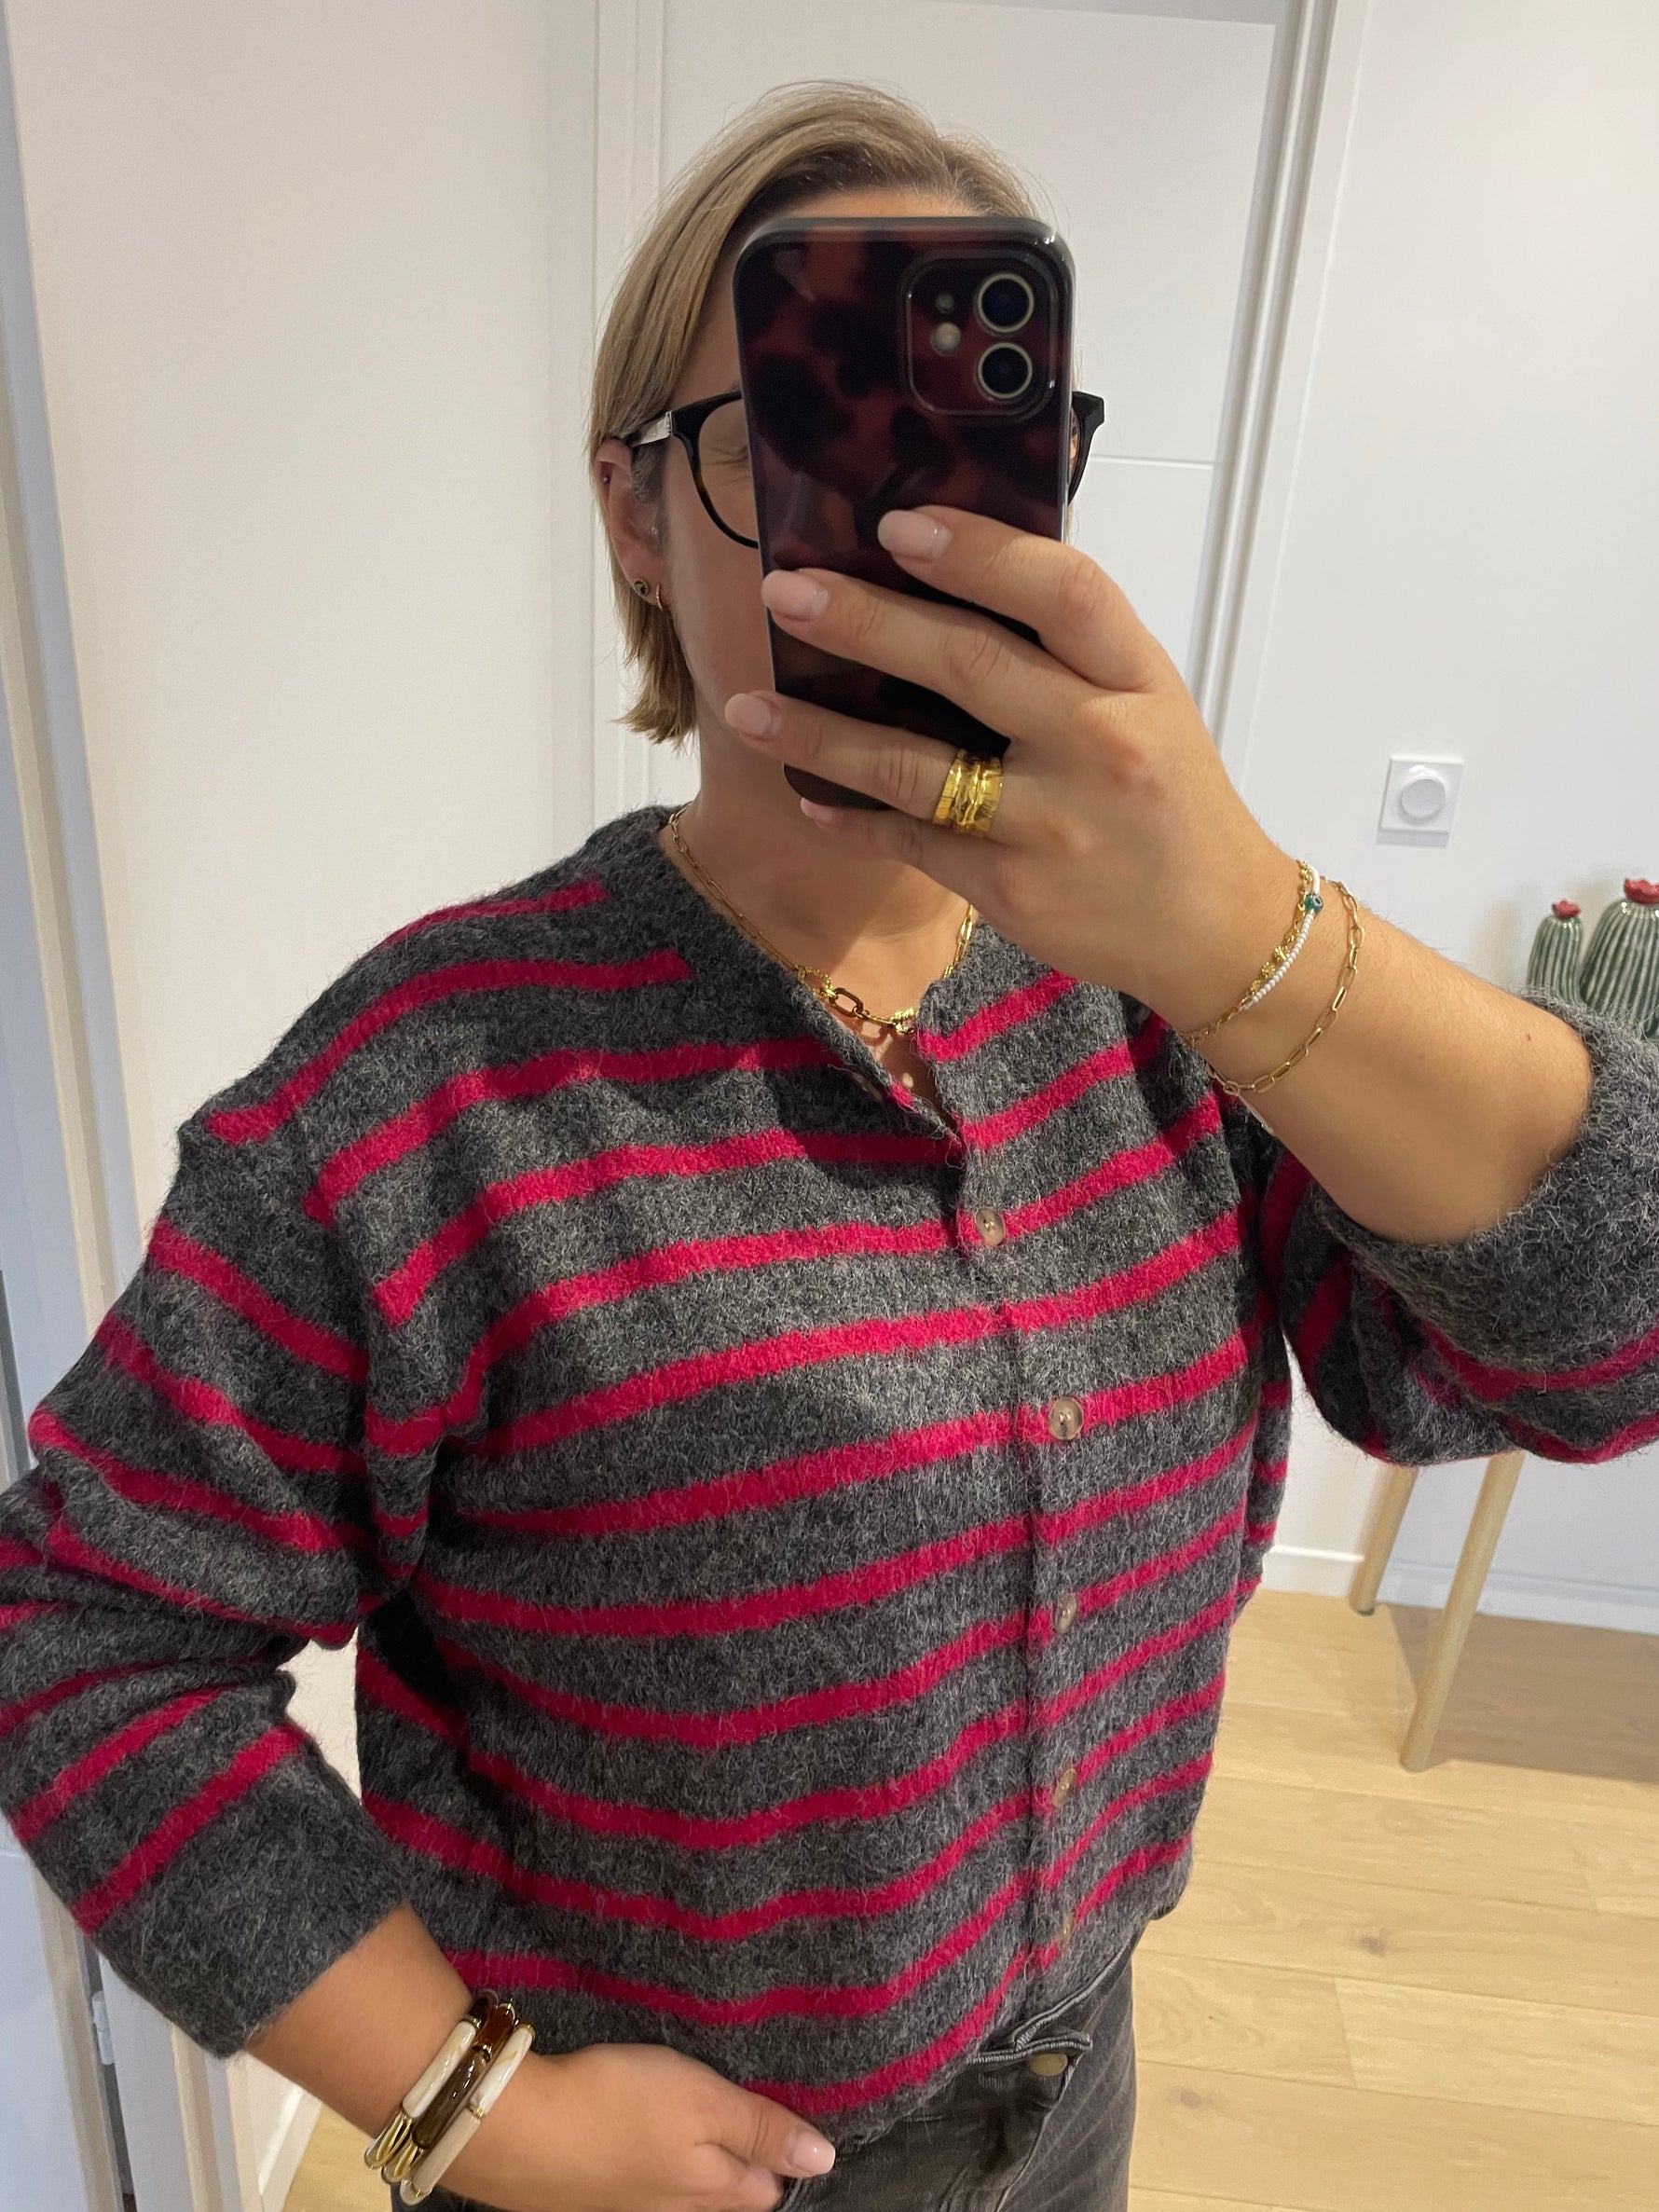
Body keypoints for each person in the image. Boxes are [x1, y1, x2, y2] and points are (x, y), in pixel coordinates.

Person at [2, 78, 1655, 2212]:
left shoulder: (1173, 1003)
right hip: (646, 2174)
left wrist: (1241, 926)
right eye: (789, 432)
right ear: (632, 510)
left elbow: (1587, 1343)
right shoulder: (428, 1091)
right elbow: (81, 1630)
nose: (889, 529)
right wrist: (465, 2101)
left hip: (1072, 2087)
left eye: (969, 438)